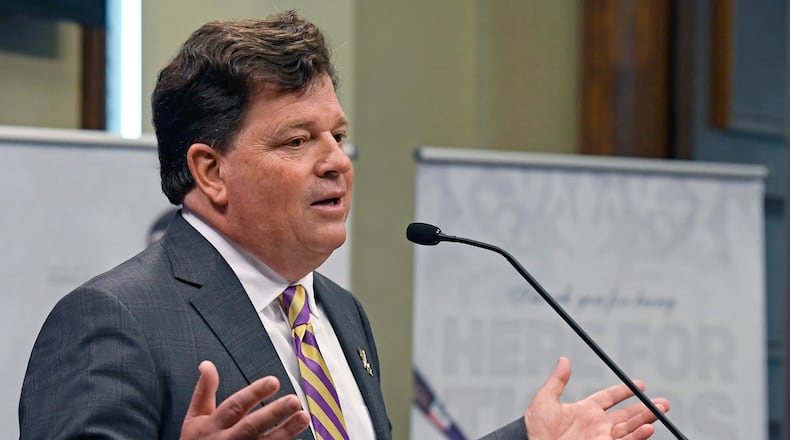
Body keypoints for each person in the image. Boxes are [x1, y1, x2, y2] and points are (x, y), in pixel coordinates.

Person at [18, 10, 669, 440]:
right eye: (298, 140)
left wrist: (527, 439)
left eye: (337, 134)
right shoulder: (113, 321)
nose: (336, 161)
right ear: (210, 171)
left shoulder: (336, 313)